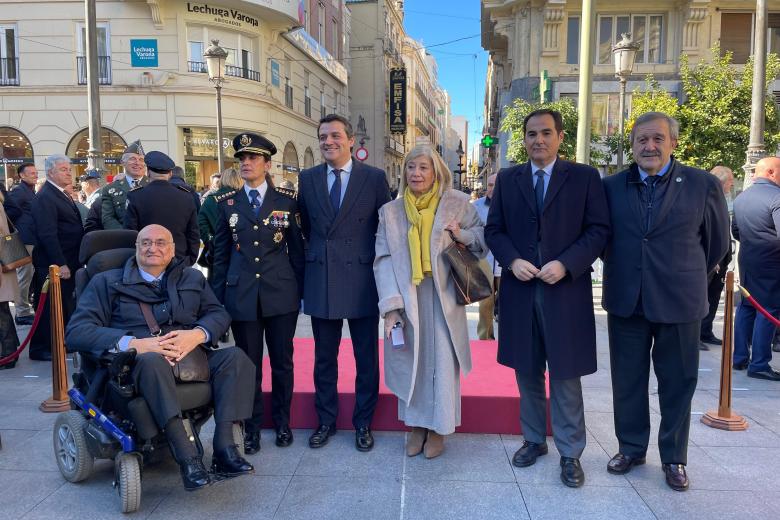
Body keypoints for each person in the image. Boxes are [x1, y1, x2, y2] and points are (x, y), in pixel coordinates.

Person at [65, 224, 255, 491]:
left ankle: (225, 448)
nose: (152, 248)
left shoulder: (190, 278)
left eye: (160, 242)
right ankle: (187, 457)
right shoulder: (106, 282)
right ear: (136, 248)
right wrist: (134, 343)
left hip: (188, 358)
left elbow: (218, 314)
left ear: (172, 249)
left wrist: (197, 335)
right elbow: (77, 331)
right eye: (145, 243)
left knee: (236, 358)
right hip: (134, 365)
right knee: (152, 361)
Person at [601, 112, 729, 491]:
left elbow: (717, 244)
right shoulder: (611, 186)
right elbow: (604, 239)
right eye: (641, 140)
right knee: (627, 381)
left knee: (677, 382)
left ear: (673, 142)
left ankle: (673, 457)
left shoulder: (702, 184)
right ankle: (631, 447)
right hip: (626, 299)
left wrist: (683, 275)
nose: (649, 146)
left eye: (657, 139)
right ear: (633, 144)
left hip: (680, 301)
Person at [484, 109, 610, 488]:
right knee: (527, 371)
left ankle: (571, 453)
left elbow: (599, 229)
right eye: (531, 134)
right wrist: (512, 260)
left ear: (560, 137)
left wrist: (567, 263)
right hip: (521, 290)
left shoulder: (585, 177)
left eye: (545, 133)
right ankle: (534, 440)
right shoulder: (508, 179)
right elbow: (495, 230)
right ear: (523, 139)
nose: (538, 140)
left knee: (566, 374)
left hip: (565, 291)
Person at [374, 144, 486, 458]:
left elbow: (482, 238)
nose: (416, 174)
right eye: (411, 167)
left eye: (423, 167)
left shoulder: (457, 203)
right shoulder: (390, 212)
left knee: (441, 361)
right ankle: (416, 426)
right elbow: (382, 259)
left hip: (445, 296)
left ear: (436, 171)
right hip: (407, 295)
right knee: (413, 360)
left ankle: (439, 428)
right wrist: (391, 306)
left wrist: (461, 235)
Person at [297, 114, 391, 451]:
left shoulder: (375, 178)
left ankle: (364, 423)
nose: (328, 142)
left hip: (363, 278)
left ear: (352, 140)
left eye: (335, 135)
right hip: (322, 276)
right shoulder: (306, 179)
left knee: (366, 358)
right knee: (324, 358)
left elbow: (385, 228)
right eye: (323, 137)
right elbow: (305, 226)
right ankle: (326, 421)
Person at [211, 133, 305, 453]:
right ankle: (251, 427)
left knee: (282, 363)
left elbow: (297, 253)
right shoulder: (227, 204)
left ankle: (282, 423)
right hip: (242, 297)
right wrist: (216, 304)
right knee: (249, 366)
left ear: (267, 164)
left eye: (252, 158)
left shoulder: (287, 201)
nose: (246, 163)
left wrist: (300, 293)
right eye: (242, 159)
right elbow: (220, 257)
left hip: (280, 295)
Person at [29, 155, 85, 361]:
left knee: (61, 305)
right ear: (51, 172)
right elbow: (47, 234)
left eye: (69, 169)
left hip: (68, 258)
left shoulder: (60, 194)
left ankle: (58, 341)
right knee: (49, 306)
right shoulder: (45, 197)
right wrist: (60, 263)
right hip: (53, 263)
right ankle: (42, 347)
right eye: (63, 169)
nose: (68, 173)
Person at [732, 156, 780, 380]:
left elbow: (735, 232)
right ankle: (760, 363)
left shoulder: (742, 197)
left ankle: (740, 357)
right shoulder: (777, 197)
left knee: (747, 307)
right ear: (771, 172)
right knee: (768, 310)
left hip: (748, 259)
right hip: (771, 262)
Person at [124, 151, 200, 266]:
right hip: (178, 259)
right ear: (170, 174)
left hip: (148, 258)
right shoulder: (186, 196)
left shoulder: (136, 196)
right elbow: (193, 233)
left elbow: (130, 233)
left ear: (148, 172)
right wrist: (190, 260)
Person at [700, 166, 735, 350]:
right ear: (721, 181)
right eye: (730, 180)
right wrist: (711, 260)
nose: (732, 183)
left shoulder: (722, 199)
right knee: (701, 298)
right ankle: (696, 335)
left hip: (721, 259)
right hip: (708, 260)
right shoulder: (705, 199)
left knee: (713, 296)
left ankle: (706, 331)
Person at [3, 163, 37, 326]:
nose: (35, 175)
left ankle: (24, 308)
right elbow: (9, 212)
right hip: (24, 239)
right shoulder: (19, 191)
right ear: (21, 175)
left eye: (36, 173)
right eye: (31, 173)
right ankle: (22, 312)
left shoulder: (29, 191)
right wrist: (17, 228)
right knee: (24, 276)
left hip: (31, 239)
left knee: (27, 276)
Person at [472, 173, 500, 339]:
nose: (492, 189)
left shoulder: (514, 205)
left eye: (496, 185)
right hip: (484, 263)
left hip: (508, 265)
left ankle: (509, 343)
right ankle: (485, 339)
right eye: (490, 185)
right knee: (485, 304)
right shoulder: (476, 206)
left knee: (509, 306)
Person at [198, 167, 241, 273]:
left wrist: (210, 241)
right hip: (240, 252)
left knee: (216, 283)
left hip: (216, 252)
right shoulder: (242, 199)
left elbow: (200, 223)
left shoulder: (211, 199)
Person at [101, 140, 147, 229]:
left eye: (141, 160)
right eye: (132, 159)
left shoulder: (153, 185)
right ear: (123, 163)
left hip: (150, 239)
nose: (137, 163)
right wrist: (125, 235)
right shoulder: (110, 189)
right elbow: (108, 218)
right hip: (123, 238)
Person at [0, 193, 21, 369]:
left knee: (1, 310)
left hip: (1, 263)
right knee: (2, 309)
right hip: (3, 260)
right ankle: (11, 349)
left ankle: (7, 354)